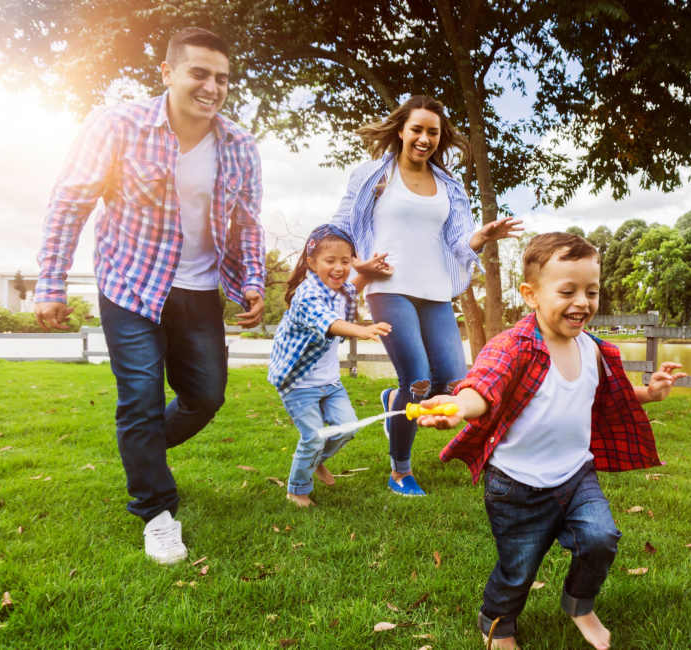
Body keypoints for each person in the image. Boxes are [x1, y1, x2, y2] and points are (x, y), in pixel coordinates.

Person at [34, 27, 266, 564]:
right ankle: (157, 511)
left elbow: (247, 223)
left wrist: (252, 279)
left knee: (206, 397)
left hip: (199, 290)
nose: (212, 87)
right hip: (131, 285)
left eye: (222, 78)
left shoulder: (240, 145)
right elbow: (69, 203)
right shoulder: (118, 125)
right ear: (167, 73)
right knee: (139, 397)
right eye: (199, 73)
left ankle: (140, 449)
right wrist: (50, 282)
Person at [417, 232, 686, 650]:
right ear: (531, 295)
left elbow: (610, 394)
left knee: (600, 538)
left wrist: (649, 393)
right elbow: (484, 386)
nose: (582, 302)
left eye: (591, 291)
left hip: (576, 475)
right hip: (515, 486)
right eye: (567, 291)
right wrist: (459, 406)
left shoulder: (593, 349)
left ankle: (579, 604)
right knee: (518, 569)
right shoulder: (513, 346)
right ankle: (497, 623)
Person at [331, 94, 522, 496]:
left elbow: (458, 240)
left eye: (432, 132)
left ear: (440, 136)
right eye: (416, 129)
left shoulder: (449, 186)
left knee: (452, 382)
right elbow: (342, 226)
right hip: (389, 286)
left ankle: (393, 401)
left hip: (435, 289)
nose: (424, 138)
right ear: (401, 131)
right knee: (417, 380)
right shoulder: (373, 175)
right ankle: (400, 471)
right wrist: (358, 267)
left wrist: (482, 236)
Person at [268, 225, 392, 507]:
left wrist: (368, 272)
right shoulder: (307, 294)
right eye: (330, 261)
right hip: (298, 383)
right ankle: (297, 491)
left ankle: (313, 460)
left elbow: (353, 286)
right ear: (312, 263)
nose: (339, 268)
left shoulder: (338, 289)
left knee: (347, 428)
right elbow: (329, 322)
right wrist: (361, 330)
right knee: (313, 437)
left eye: (345, 261)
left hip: (330, 382)